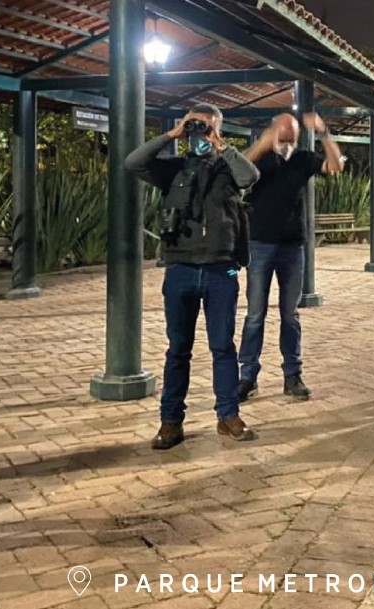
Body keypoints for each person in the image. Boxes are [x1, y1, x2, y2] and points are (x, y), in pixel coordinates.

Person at [126, 104, 260, 450]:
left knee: (222, 347)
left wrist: (222, 145)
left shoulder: (228, 169)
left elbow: (250, 177)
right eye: (197, 129)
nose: (201, 135)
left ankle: (227, 416)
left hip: (221, 269)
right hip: (181, 269)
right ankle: (170, 423)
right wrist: (173, 133)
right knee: (178, 350)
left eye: (207, 128)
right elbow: (133, 163)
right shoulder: (174, 169)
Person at [237, 112, 343, 403]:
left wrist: (324, 132)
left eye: (291, 132)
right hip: (259, 244)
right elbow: (235, 173)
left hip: (292, 247)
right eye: (281, 131)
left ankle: (292, 375)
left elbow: (335, 166)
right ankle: (247, 376)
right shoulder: (259, 157)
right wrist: (264, 143)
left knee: (290, 315)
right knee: (255, 314)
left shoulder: (303, 159)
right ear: (272, 131)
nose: (286, 137)